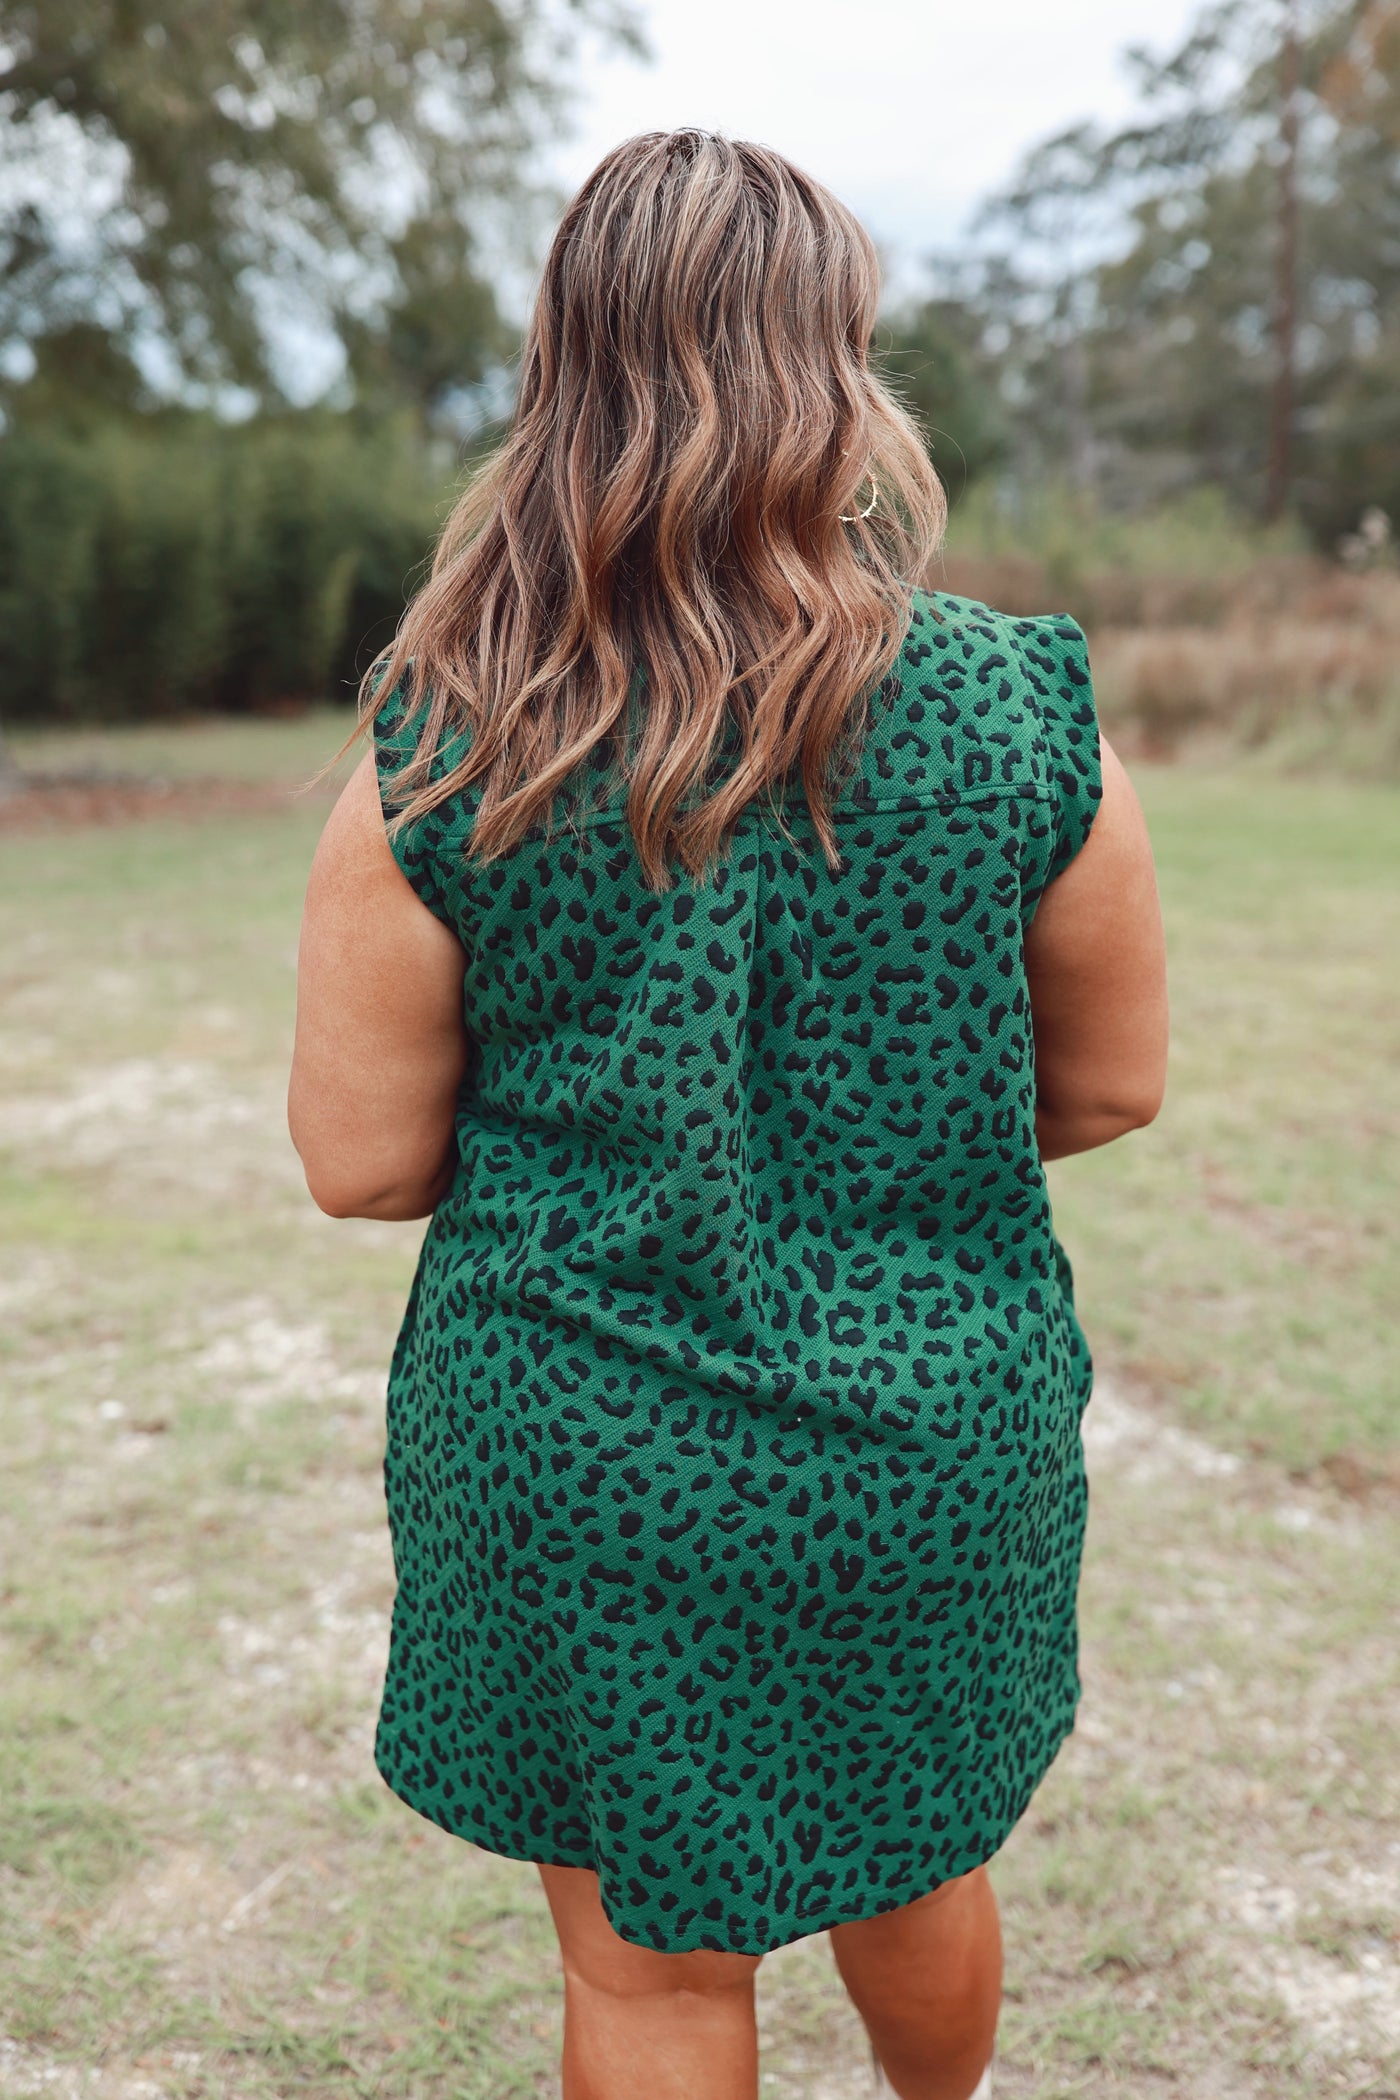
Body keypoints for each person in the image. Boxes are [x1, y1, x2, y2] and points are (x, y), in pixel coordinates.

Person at [288, 130, 1168, 2100]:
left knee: (649, 1978)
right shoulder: (1026, 716)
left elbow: (358, 1162)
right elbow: (1111, 1080)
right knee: (920, 1870)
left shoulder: (447, 741)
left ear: (561, 379)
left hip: (582, 1443)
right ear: (837, 372)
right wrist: (866, 1156)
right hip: (922, 1431)